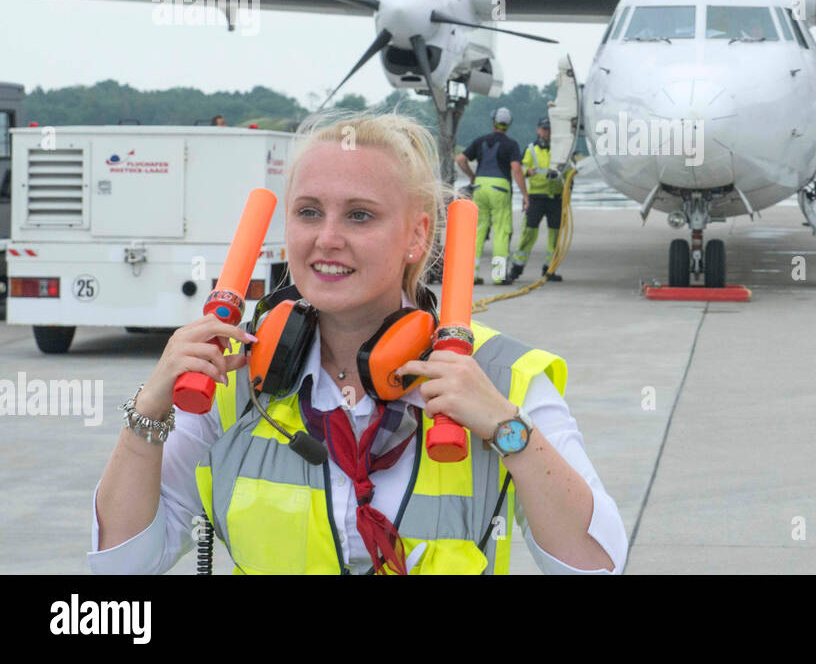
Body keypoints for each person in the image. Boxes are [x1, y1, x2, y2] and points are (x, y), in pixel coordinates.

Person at [89, 108, 626, 574]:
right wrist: (148, 414)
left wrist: (510, 431)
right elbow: (123, 563)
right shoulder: (228, 379)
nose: (327, 238)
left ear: (418, 236)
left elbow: (596, 565)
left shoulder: (503, 376)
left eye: (359, 215)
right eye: (308, 212)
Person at [455, 107, 527, 285]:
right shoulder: (511, 145)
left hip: (480, 186)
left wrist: (472, 176)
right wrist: (525, 194)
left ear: (493, 121)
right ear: (508, 125)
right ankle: (499, 274)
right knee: (502, 231)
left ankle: (472, 274)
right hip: (500, 187)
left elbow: (460, 159)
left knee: (479, 230)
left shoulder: (480, 141)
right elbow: (516, 169)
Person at [509, 117, 565, 282]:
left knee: (555, 236)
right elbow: (521, 167)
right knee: (528, 233)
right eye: (544, 129)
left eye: (549, 129)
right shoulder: (531, 149)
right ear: (538, 130)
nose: (546, 132)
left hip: (555, 197)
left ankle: (549, 269)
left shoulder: (560, 150)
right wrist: (528, 171)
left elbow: (568, 169)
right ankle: (517, 268)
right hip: (536, 198)